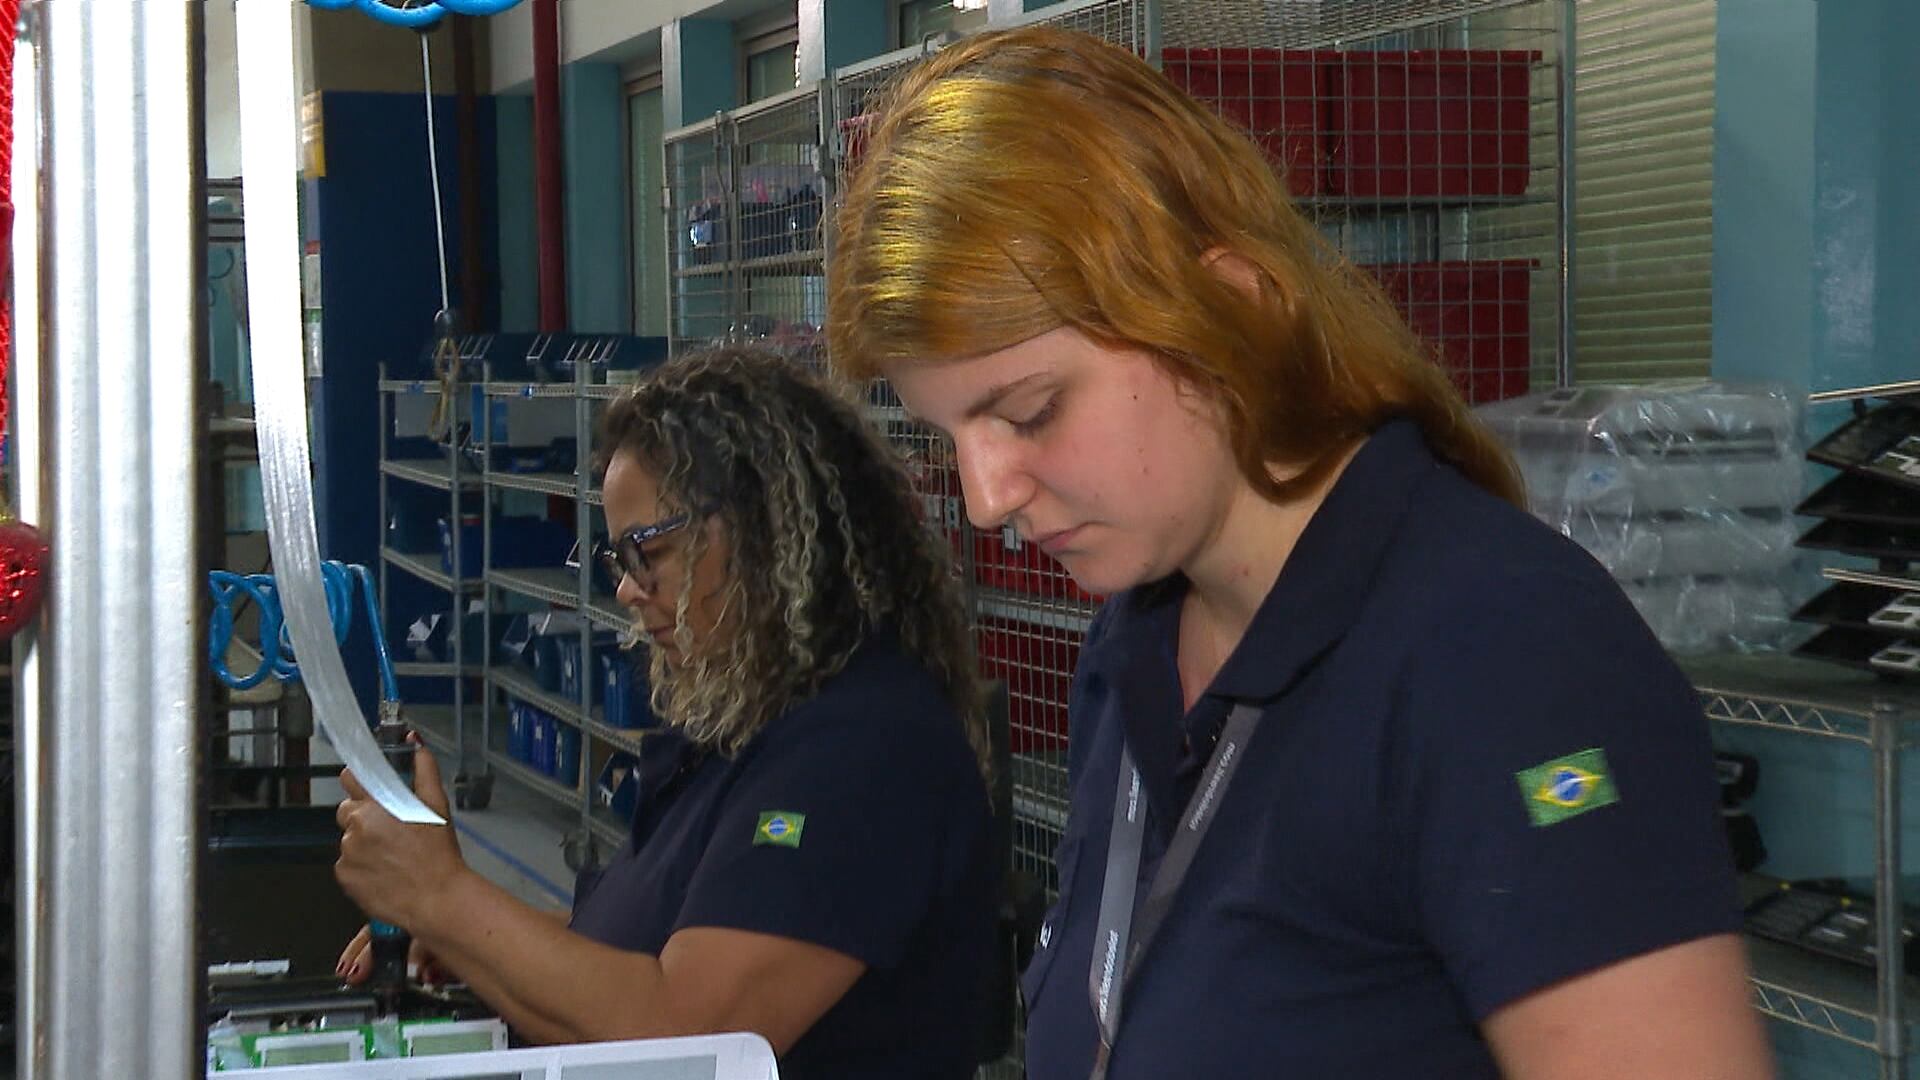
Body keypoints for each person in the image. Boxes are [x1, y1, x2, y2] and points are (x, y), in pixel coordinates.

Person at [827, 26, 1773, 1080]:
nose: (987, 496)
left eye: (1031, 410)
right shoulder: (1134, 645)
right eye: (943, 436)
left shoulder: (1508, 663)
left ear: (1232, 307)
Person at [334, 347, 998, 1079]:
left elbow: (690, 1040)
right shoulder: (745, 718)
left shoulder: (864, 754)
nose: (627, 589)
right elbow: (658, 941)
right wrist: (479, 946)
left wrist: (443, 900)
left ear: (760, 531)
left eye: (648, 551)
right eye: (619, 561)